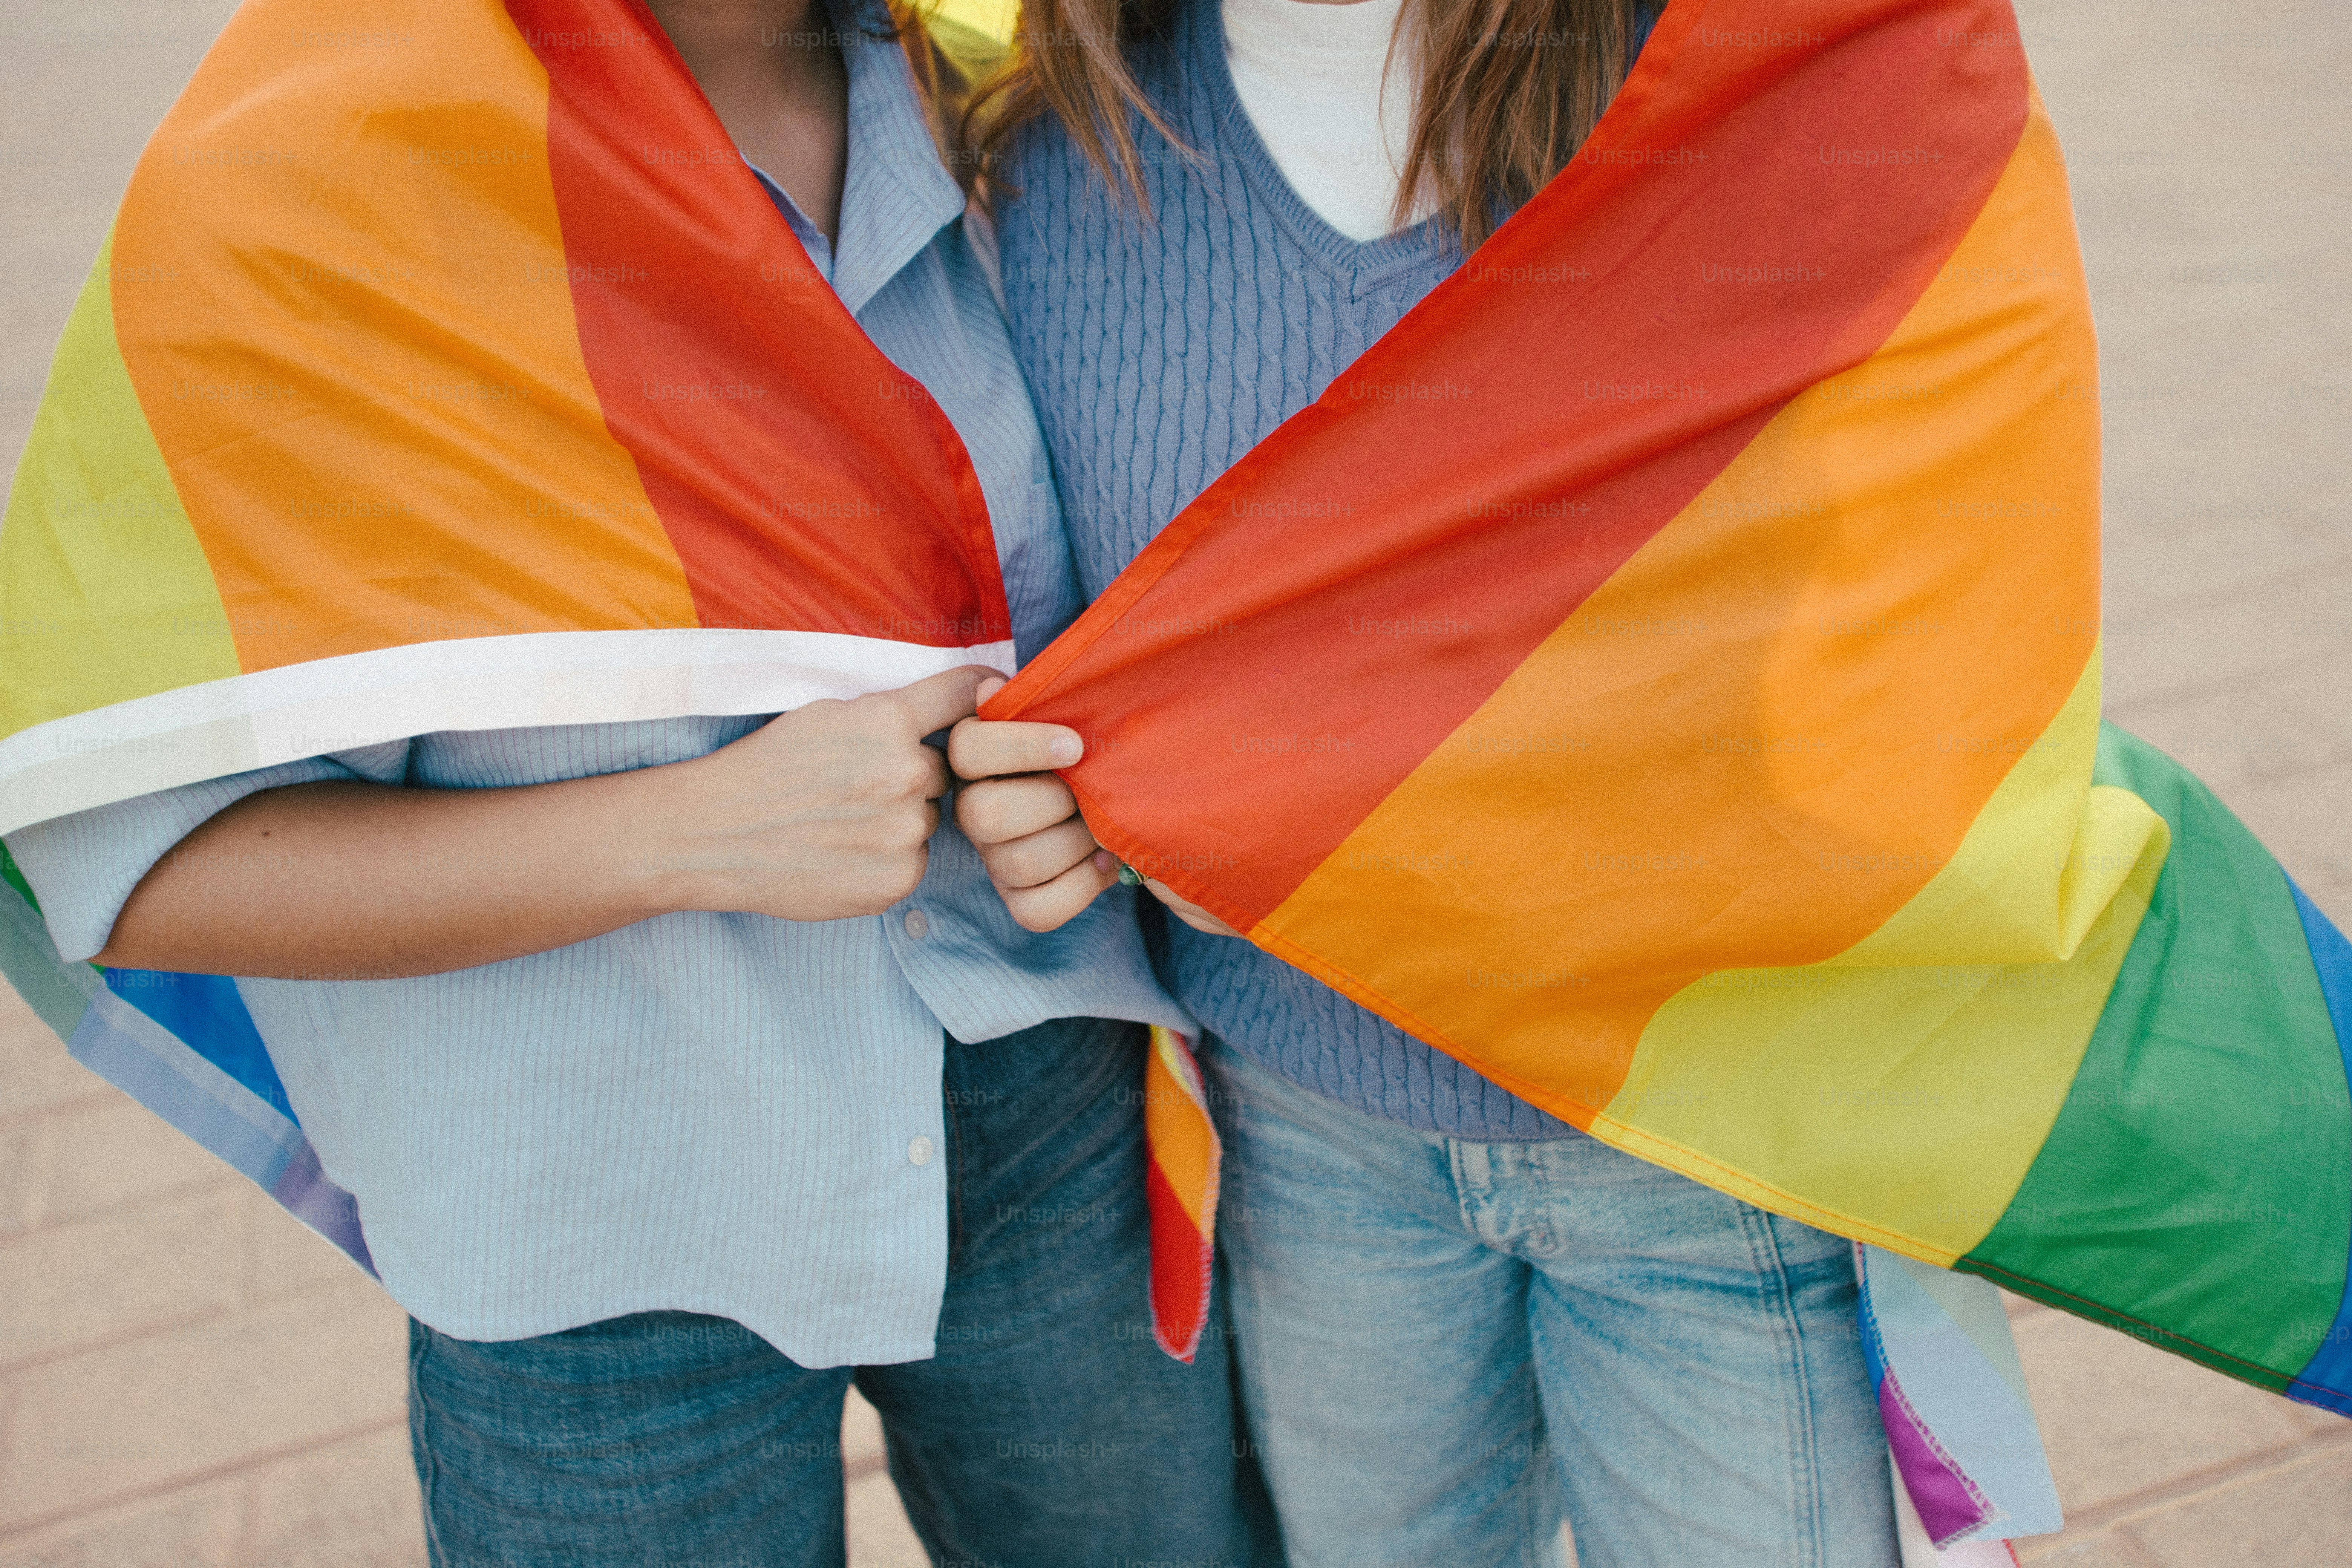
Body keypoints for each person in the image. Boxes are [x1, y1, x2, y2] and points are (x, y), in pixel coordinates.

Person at [0, 0, 1273, 1562]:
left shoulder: (1014, 105)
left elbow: (1134, 610)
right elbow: (140, 863)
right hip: (601, 1226)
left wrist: (1097, 790)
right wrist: (684, 833)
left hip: (1043, 1110)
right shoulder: (303, 183)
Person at [956, 0, 1912, 1560]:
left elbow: (1882, 603)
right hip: (1307, 1130)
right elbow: (1059, 647)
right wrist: (1028, 784)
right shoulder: (1034, 156)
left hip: (1697, 1130)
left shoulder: (1742, 87)